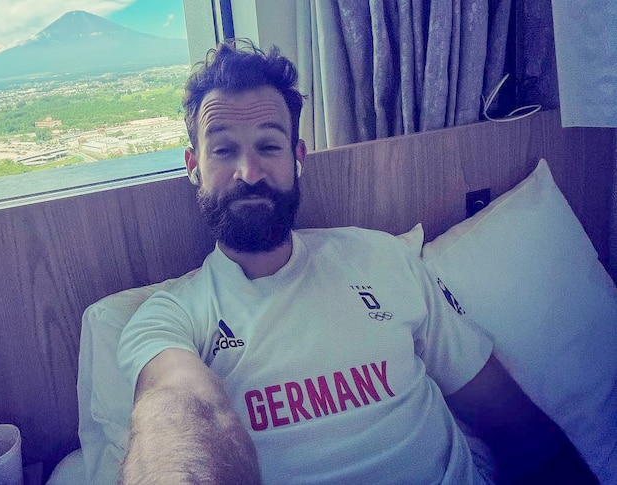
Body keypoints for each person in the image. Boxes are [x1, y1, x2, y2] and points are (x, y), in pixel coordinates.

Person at [116, 40, 595, 485]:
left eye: (269, 145)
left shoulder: (381, 257)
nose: (249, 172)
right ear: (193, 165)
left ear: (297, 158)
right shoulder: (169, 318)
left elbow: (507, 417)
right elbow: (176, 411)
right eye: (223, 150)